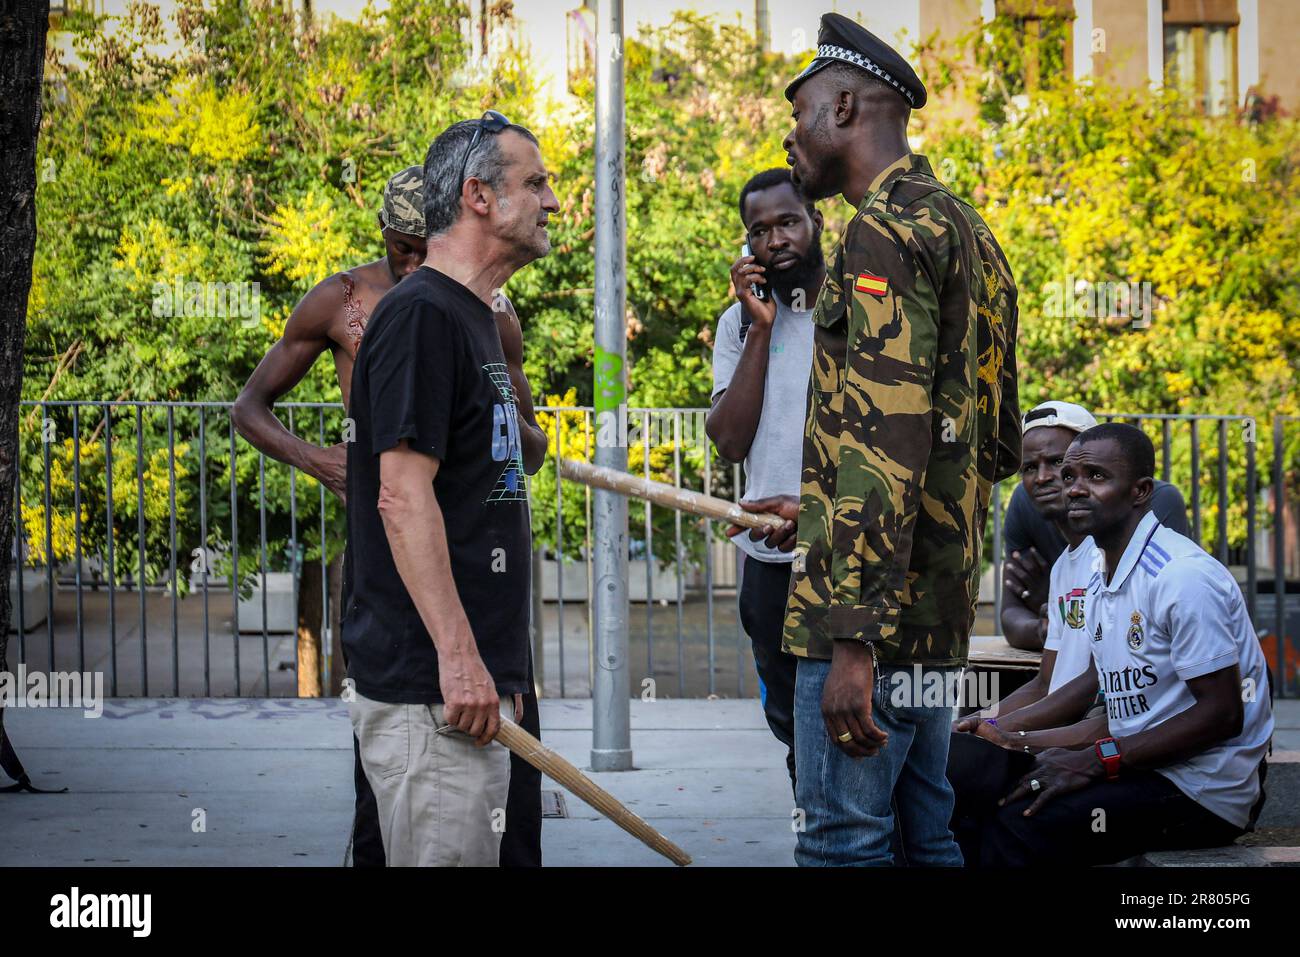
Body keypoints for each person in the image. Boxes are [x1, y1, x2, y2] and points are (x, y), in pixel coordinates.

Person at [777, 13, 1021, 866]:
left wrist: (852, 638)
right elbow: (990, 447)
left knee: (844, 842)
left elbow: (890, 437)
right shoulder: (968, 228)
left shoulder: (879, 231)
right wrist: (811, 509)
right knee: (928, 835)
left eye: (800, 111)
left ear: (844, 107)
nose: (790, 135)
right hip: (934, 617)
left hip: (868, 625)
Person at [958, 424, 1274, 866]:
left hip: (1200, 792)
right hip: (1132, 763)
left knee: (1019, 821)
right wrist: (1011, 738)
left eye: (1097, 477)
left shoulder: (1180, 576)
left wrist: (1099, 759)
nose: (1074, 489)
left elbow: (1221, 714)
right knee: (969, 777)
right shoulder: (1097, 576)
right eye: (1071, 477)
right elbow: (1123, 714)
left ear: (1141, 490)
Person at [709, 168, 824, 793]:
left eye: (788, 222)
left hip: (845, 546)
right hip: (769, 555)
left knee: (844, 712)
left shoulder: (858, 311)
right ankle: (816, 829)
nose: (775, 239)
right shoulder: (739, 324)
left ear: (817, 222)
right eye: (760, 231)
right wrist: (759, 326)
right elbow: (729, 440)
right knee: (789, 720)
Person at [1000, 407, 1189, 651]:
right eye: (1029, 468)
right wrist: (1054, 627)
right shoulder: (1024, 503)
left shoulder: (1151, 500)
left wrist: (1061, 610)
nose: (1042, 478)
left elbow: (1133, 626)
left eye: (1058, 462)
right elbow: (1011, 615)